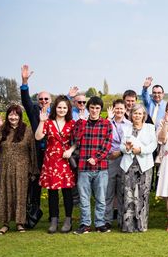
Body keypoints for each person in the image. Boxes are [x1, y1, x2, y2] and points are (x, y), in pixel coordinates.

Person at [0, 104, 38, 234]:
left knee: (20, 196)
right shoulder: (2, 129)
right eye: (11, 114)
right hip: (4, 169)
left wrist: (33, 170)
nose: (13, 117)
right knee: (4, 195)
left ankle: (20, 223)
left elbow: (33, 151)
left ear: (20, 116)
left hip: (22, 169)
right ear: (7, 115)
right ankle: (5, 223)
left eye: (16, 114)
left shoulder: (27, 130)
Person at [66, 96, 113, 234]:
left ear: (100, 109)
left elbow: (107, 145)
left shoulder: (106, 124)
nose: (94, 110)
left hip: (101, 167)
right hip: (84, 168)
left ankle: (100, 224)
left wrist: (96, 158)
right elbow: (75, 139)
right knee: (84, 198)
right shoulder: (81, 123)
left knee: (101, 198)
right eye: (92, 108)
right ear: (88, 108)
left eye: (97, 108)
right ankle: (85, 224)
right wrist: (81, 123)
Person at [35, 95, 76, 233]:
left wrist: (71, 150)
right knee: (52, 192)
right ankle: (54, 220)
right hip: (51, 160)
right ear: (55, 108)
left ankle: (68, 220)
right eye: (59, 107)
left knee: (67, 191)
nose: (62, 110)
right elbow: (38, 136)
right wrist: (41, 121)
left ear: (68, 109)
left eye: (64, 107)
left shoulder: (72, 123)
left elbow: (77, 141)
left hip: (65, 160)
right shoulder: (48, 122)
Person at [118, 104, 157, 232]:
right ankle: (128, 226)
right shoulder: (125, 128)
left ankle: (141, 225)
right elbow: (121, 147)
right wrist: (127, 149)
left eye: (140, 114)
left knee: (143, 195)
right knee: (128, 195)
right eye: (135, 113)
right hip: (128, 165)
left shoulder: (150, 128)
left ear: (144, 116)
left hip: (144, 165)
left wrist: (140, 150)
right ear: (131, 115)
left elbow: (153, 146)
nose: (137, 116)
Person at [19, 64, 49, 227]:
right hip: (37, 154)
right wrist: (24, 81)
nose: (43, 101)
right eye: (41, 99)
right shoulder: (34, 112)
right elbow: (25, 100)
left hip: (53, 154)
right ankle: (32, 215)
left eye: (46, 99)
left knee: (54, 186)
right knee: (35, 185)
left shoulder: (56, 112)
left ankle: (55, 217)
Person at [105, 99, 132, 228]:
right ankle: (107, 220)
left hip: (124, 159)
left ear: (125, 110)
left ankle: (122, 220)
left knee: (122, 192)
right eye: (117, 108)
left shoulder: (129, 125)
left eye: (122, 109)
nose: (119, 111)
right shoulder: (107, 123)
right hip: (110, 159)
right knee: (109, 192)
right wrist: (108, 120)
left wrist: (120, 152)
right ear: (113, 109)